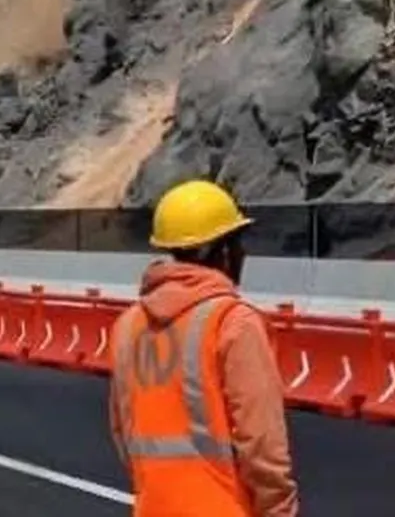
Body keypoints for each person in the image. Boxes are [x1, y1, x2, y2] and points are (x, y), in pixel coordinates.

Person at [108, 179, 299, 517]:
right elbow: (262, 443)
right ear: (220, 251)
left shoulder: (128, 326)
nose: (243, 253)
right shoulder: (234, 322)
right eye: (237, 242)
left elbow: (124, 432)